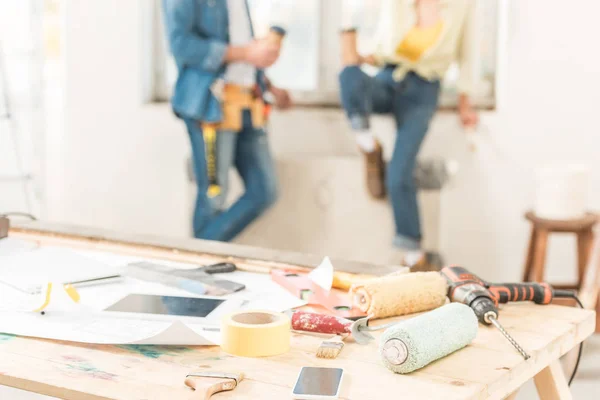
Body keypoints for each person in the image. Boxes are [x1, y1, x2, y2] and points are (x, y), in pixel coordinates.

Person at [339, 0, 479, 267]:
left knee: (399, 174)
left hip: (423, 92)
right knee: (349, 75)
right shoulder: (399, 4)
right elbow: (383, 48)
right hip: (388, 78)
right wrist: (361, 55)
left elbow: (467, 56)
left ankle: (415, 256)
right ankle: (368, 145)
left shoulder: (463, 7)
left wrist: (465, 103)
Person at [163, 0, 292, 241]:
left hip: (248, 101)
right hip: (211, 104)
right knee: (213, 196)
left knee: (264, 191)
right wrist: (246, 52)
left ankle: (201, 255)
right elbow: (180, 45)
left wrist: (269, 86)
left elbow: (241, 46)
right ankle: (201, 262)